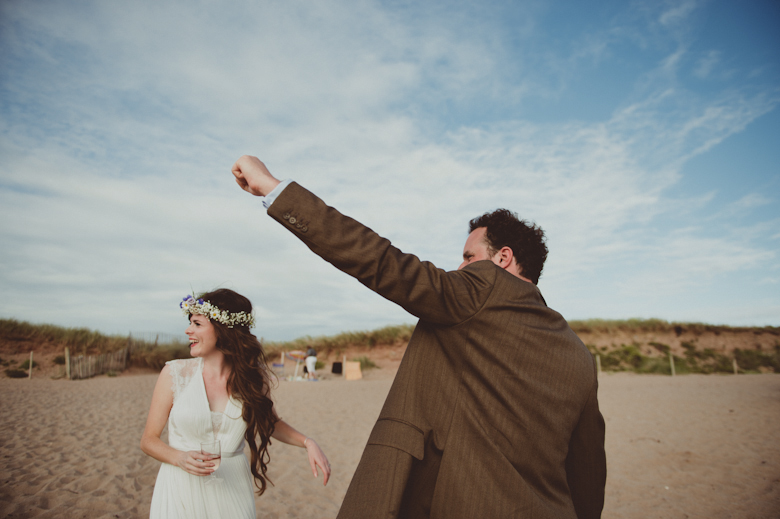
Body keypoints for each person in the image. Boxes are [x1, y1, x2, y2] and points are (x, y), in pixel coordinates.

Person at [231, 156, 607, 519]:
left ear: (503, 259)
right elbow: (588, 469)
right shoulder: (577, 353)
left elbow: (381, 261)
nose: (459, 268)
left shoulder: (482, 289)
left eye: (468, 256)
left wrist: (273, 189)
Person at [140, 289, 331, 519]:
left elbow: (270, 423)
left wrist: (308, 442)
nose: (188, 330)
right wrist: (179, 458)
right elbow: (148, 440)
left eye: (198, 324)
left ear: (223, 329)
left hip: (232, 490)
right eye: (190, 323)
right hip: (180, 486)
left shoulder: (252, 377)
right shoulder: (174, 373)